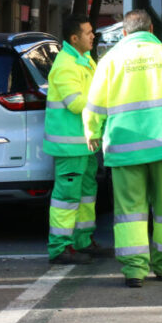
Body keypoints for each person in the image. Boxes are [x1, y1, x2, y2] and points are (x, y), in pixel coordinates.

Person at [83, 9, 162, 287]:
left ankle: (134, 271)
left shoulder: (109, 61)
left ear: (124, 33)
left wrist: (92, 132)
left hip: (125, 149)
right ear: (151, 30)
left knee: (130, 212)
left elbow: (94, 105)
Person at [44, 15, 110, 264]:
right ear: (74, 38)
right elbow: (76, 104)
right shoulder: (66, 64)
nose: (93, 36)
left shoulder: (83, 60)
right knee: (67, 198)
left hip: (83, 143)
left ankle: (82, 241)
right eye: (88, 32)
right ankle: (60, 247)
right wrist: (107, 104)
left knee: (85, 194)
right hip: (70, 145)